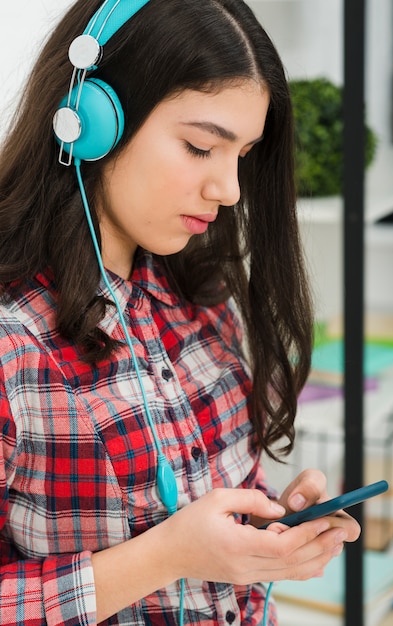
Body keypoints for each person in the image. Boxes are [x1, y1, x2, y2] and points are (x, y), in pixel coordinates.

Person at [0, 0, 360, 624]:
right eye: (200, 148)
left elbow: (207, 510)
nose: (230, 190)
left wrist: (271, 528)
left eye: (242, 155)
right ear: (87, 123)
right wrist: (163, 557)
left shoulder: (198, 296)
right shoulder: (15, 343)